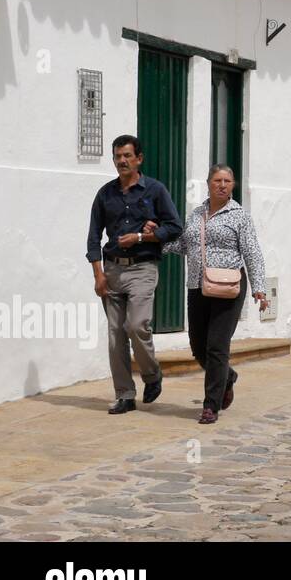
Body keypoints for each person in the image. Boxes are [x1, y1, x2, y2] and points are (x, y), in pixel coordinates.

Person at [87, 135, 183, 415]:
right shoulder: (105, 194)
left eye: (127, 156)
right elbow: (93, 238)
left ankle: (152, 375)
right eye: (117, 157)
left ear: (139, 158)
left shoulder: (155, 190)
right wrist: (98, 275)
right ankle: (125, 395)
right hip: (112, 269)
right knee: (116, 335)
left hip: (143, 268)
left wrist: (143, 236)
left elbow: (174, 227)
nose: (122, 161)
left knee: (137, 325)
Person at [165, 165, 268, 424]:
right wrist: (159, 243)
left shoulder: (239, 215)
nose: (222, 185)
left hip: (229, 288)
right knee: (198, 346)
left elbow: (252, 252)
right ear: (208, 183)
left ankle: (211, 405)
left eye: (227, 181)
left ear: (232, 185)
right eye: (217, 180)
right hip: (198, 286)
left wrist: (259, 288)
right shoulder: (197, 213)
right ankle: (228, 376)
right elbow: (185, 245)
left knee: (217, 346)